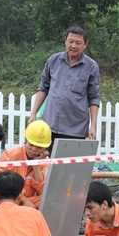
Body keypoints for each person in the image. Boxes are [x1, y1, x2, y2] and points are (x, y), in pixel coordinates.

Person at [28, 25, 100, 153]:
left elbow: (94, 97)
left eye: (78, 43)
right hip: (48, 126)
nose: (74, 46)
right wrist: (33, 113)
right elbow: (43, 87)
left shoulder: (91, 67)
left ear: (85, 44)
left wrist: (93, 126)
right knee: (45, 164)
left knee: (67, 170)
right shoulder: (53, 61)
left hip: (75, 129)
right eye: (71, 41)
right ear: (65, 40)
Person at [0, 120, 51, 209]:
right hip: (11, 199)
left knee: (48, 198)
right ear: (26, 140)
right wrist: (23, 199)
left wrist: (36, 165)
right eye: (31, 144)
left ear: (45, 148)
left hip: (31, 203)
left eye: (39, 147)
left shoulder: (46, 162)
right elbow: (0, 184)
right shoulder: (10, 155)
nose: (34, 149)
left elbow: (43, 191)